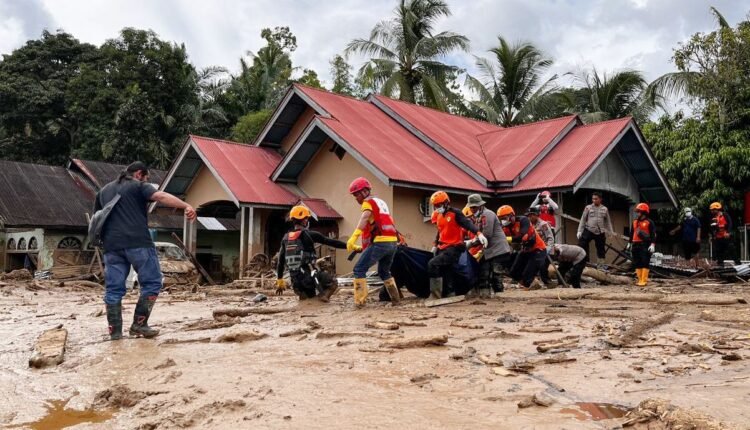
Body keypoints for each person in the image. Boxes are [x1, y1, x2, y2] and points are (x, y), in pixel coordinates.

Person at [95, 161, 196, 340]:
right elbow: (160, 196)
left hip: (112, 246)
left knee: (113, 289)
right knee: (152, 282)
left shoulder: (104, 191)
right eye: (146, 178)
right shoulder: (138, 185)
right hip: (138, 242)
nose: (146, 181)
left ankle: (115, 334)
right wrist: (185, 206)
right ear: (139, 174)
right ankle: (139, 325)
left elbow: (97, 217)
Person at [346, 177, 400, 307]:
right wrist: (363, 248)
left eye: (357, 194)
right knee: (384, 271)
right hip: (392, 243)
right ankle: (396, 300)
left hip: (381, 243)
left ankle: (360, 303)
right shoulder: (381, 202)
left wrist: (353, 237)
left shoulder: (367, 202)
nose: (356, 198)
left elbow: (364, 218)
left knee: (359, 269)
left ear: (365, 191)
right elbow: (379, 224)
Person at [275, 206, 347, 302]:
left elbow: (280, 262)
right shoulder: (310, 235)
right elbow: (331, 242)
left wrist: (280, 280)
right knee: (333, 282)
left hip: (296, 283)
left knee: (306, 300)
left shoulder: (286, 238)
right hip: (310, 279)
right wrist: (348, 246)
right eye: (306, 218)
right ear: (304, 220)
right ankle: (319, 302)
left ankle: (310, 303)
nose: (307, 220)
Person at [429, 191, 487, 299]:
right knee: (447, 270)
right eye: (435, 206)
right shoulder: (438, 215)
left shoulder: (455, 213)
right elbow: (440, 231)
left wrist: (479, 233)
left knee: (432, 264)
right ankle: (450, 293)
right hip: (442, 247)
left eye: (439, 205)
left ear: (446, 203)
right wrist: (435, 244)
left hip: (454, 247)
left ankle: (435, 296)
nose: (437, 208)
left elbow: (467, 224)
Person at [465, 194, 511, 297]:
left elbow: (487, 235)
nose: (472, 209)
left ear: (481, 205)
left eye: (474, 207)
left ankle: (500, 296)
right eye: (471, 207)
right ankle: (484, 295)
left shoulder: (488, 215)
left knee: (496, 274)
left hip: (499, 250)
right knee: (483, 272)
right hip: (488, 251)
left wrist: (471, 243)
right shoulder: (477, 217)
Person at [497, 205, 547, 289]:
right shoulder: (505, 228)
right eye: (501, 218)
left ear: (512, 215)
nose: (503, 220)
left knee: (527, 276)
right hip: (525, 250)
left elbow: (521, 236)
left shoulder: (523, 220)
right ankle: (532, 284)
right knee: (513, 273)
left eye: (504, 218)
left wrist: (505, 239)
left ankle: (530, 283)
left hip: (538, 249)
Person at [577, 192, 614, 265]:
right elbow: (583, 219)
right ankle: (584, 262)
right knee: (582, 244)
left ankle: (600, 264)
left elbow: (608, 221)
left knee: (601, 249)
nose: (594, 200)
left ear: (600, 199)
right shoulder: (588, 207)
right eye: (593, 199)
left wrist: (610, 232)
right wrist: (579, 231)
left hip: (600, 231)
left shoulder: (604, 209)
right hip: (589, 229)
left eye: (596, 199)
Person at [628, 203, 656, 287]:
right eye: (637, 212)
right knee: (637, 262)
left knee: (645, 261)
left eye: (639, 212)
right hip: (635, 244)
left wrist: (652, 244)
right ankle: (639, 279)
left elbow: (653, 234)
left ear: (644, 212)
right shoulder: (635, 222)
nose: (637, 213)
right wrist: (629, 243)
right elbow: (632, 233)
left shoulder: (649, 222)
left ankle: (644, 280)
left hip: (645, 244)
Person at [527, 207, 554, 284]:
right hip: (535, 249)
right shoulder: (529, 225)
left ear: (537, 215)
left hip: (545, 249)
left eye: (532, 215)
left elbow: (550, 239)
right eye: (529, 215)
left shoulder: (543, 224)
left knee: (542, 266)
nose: (530, 217)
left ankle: (547, 282)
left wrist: (547, 249)